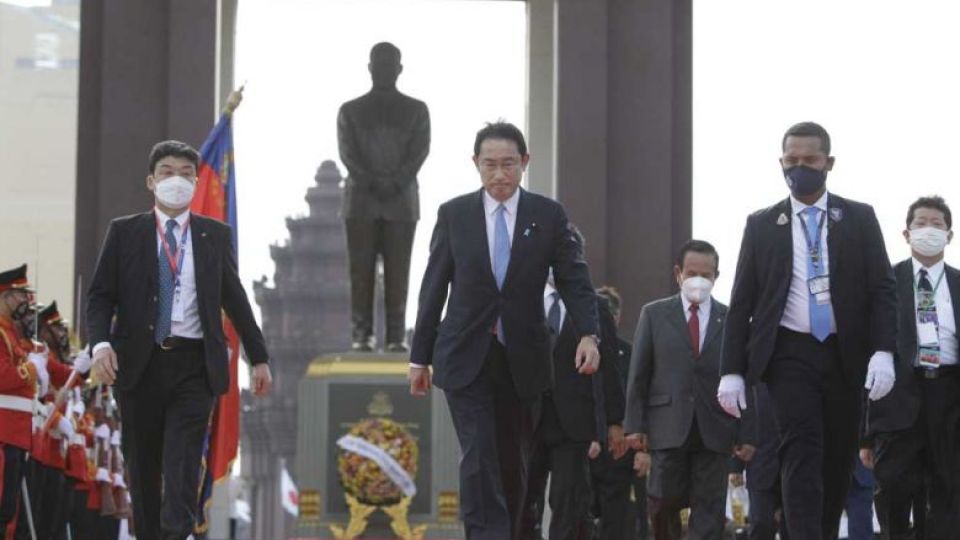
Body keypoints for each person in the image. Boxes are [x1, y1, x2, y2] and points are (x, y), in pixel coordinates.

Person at [409, 121, 601, 540]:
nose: (499, 174)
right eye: (490, 165)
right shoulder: (454, 214)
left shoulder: (548, 215)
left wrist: (589, 334)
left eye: (509, 164)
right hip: (465, 354)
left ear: (524, 163)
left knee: (514, 464)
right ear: (476, 164)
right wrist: (418, 357)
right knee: (478, 455)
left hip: (524, 358)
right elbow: (433, 287)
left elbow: (574, 278)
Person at [718, 121, 898, 539]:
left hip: (844, 353)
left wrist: (884, 351)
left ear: (828, 163)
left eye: (810, 160)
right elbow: (742, 300)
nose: (800, 167)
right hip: (788, 354)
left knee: (837, 457)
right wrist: (732, 370)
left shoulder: (859, 218)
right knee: (800, 448)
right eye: (791, 160)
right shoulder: (762, 224)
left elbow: (882, 290)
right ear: (781, 163)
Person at [87, 140, 272, 540]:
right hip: (139, 364)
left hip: (193, 366)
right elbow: (101, 296)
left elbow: (235, 299)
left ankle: (178, 534)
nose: (178, 181)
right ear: (151, 181)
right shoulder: (125, 232)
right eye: (168, 172)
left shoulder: (213, 236)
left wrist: (259, 358)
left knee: (183, 463)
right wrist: (99, 345)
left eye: (187, 174)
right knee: (144, 467)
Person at [625, 240, 752, 539]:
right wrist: (634, 425)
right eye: (692, 272)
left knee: (709, 510)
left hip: (715, 428)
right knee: (662, 504)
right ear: (678, 273)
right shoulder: (654, 315)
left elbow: (745, 378)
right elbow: (639, 374)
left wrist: (746, 431)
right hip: (667, 426)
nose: (699, 280)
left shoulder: (732, 319)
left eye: (706, 275)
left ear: (716, 277)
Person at [861, 195, 959, 537]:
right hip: (897, 399)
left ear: (949, 235)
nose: (928, 230)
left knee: (947, 496)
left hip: (949, 399)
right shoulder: (884, 283)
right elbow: (867, 356)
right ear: (906, 233)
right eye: (921, 223)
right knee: (893, 492)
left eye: (937, 224)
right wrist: (866, 433)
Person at [338, 41, 431, 352]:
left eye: (389, 65)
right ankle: (361, 335)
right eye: (378, 65)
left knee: (398, 271)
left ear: (399, 69)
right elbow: (347, 154)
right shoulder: (349, 111)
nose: (383, 71)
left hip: (401, 202)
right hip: (361, 201)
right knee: (360, 272)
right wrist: (376, 182)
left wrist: (396, 182)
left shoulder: (417, 110)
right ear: (369, 68)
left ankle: (395, 337)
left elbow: (420, 151)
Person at [521, 270, 626, 540]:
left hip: (574, 424)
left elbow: (610, 368)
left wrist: (615, 422)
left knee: (568, 503)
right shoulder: (520, 300)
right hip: (526, 419)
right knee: (522, 500)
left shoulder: (596, 306)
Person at [591, 285, 647, 540]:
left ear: (619, 316)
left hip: (620, 450)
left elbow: (640, 400)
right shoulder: (576, 350)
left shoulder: (631, 353)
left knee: (617, 520)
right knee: (579, 513)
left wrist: (642, 449)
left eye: (611, 311)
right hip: (584, 445)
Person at [0, 264, 41, 537]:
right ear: (3, 296)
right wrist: (30, 370)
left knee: (8, 511)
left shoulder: (12, 334)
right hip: (3, 432)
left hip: (16, 433)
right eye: (18, 295)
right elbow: (3, 377)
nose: (24, 301)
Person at [729, 384, 787, 540]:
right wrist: (736, 466)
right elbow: (739, 418)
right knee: (761, 524)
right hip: (760, 464)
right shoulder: (751, 380)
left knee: (793, 527)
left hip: (794, 466)